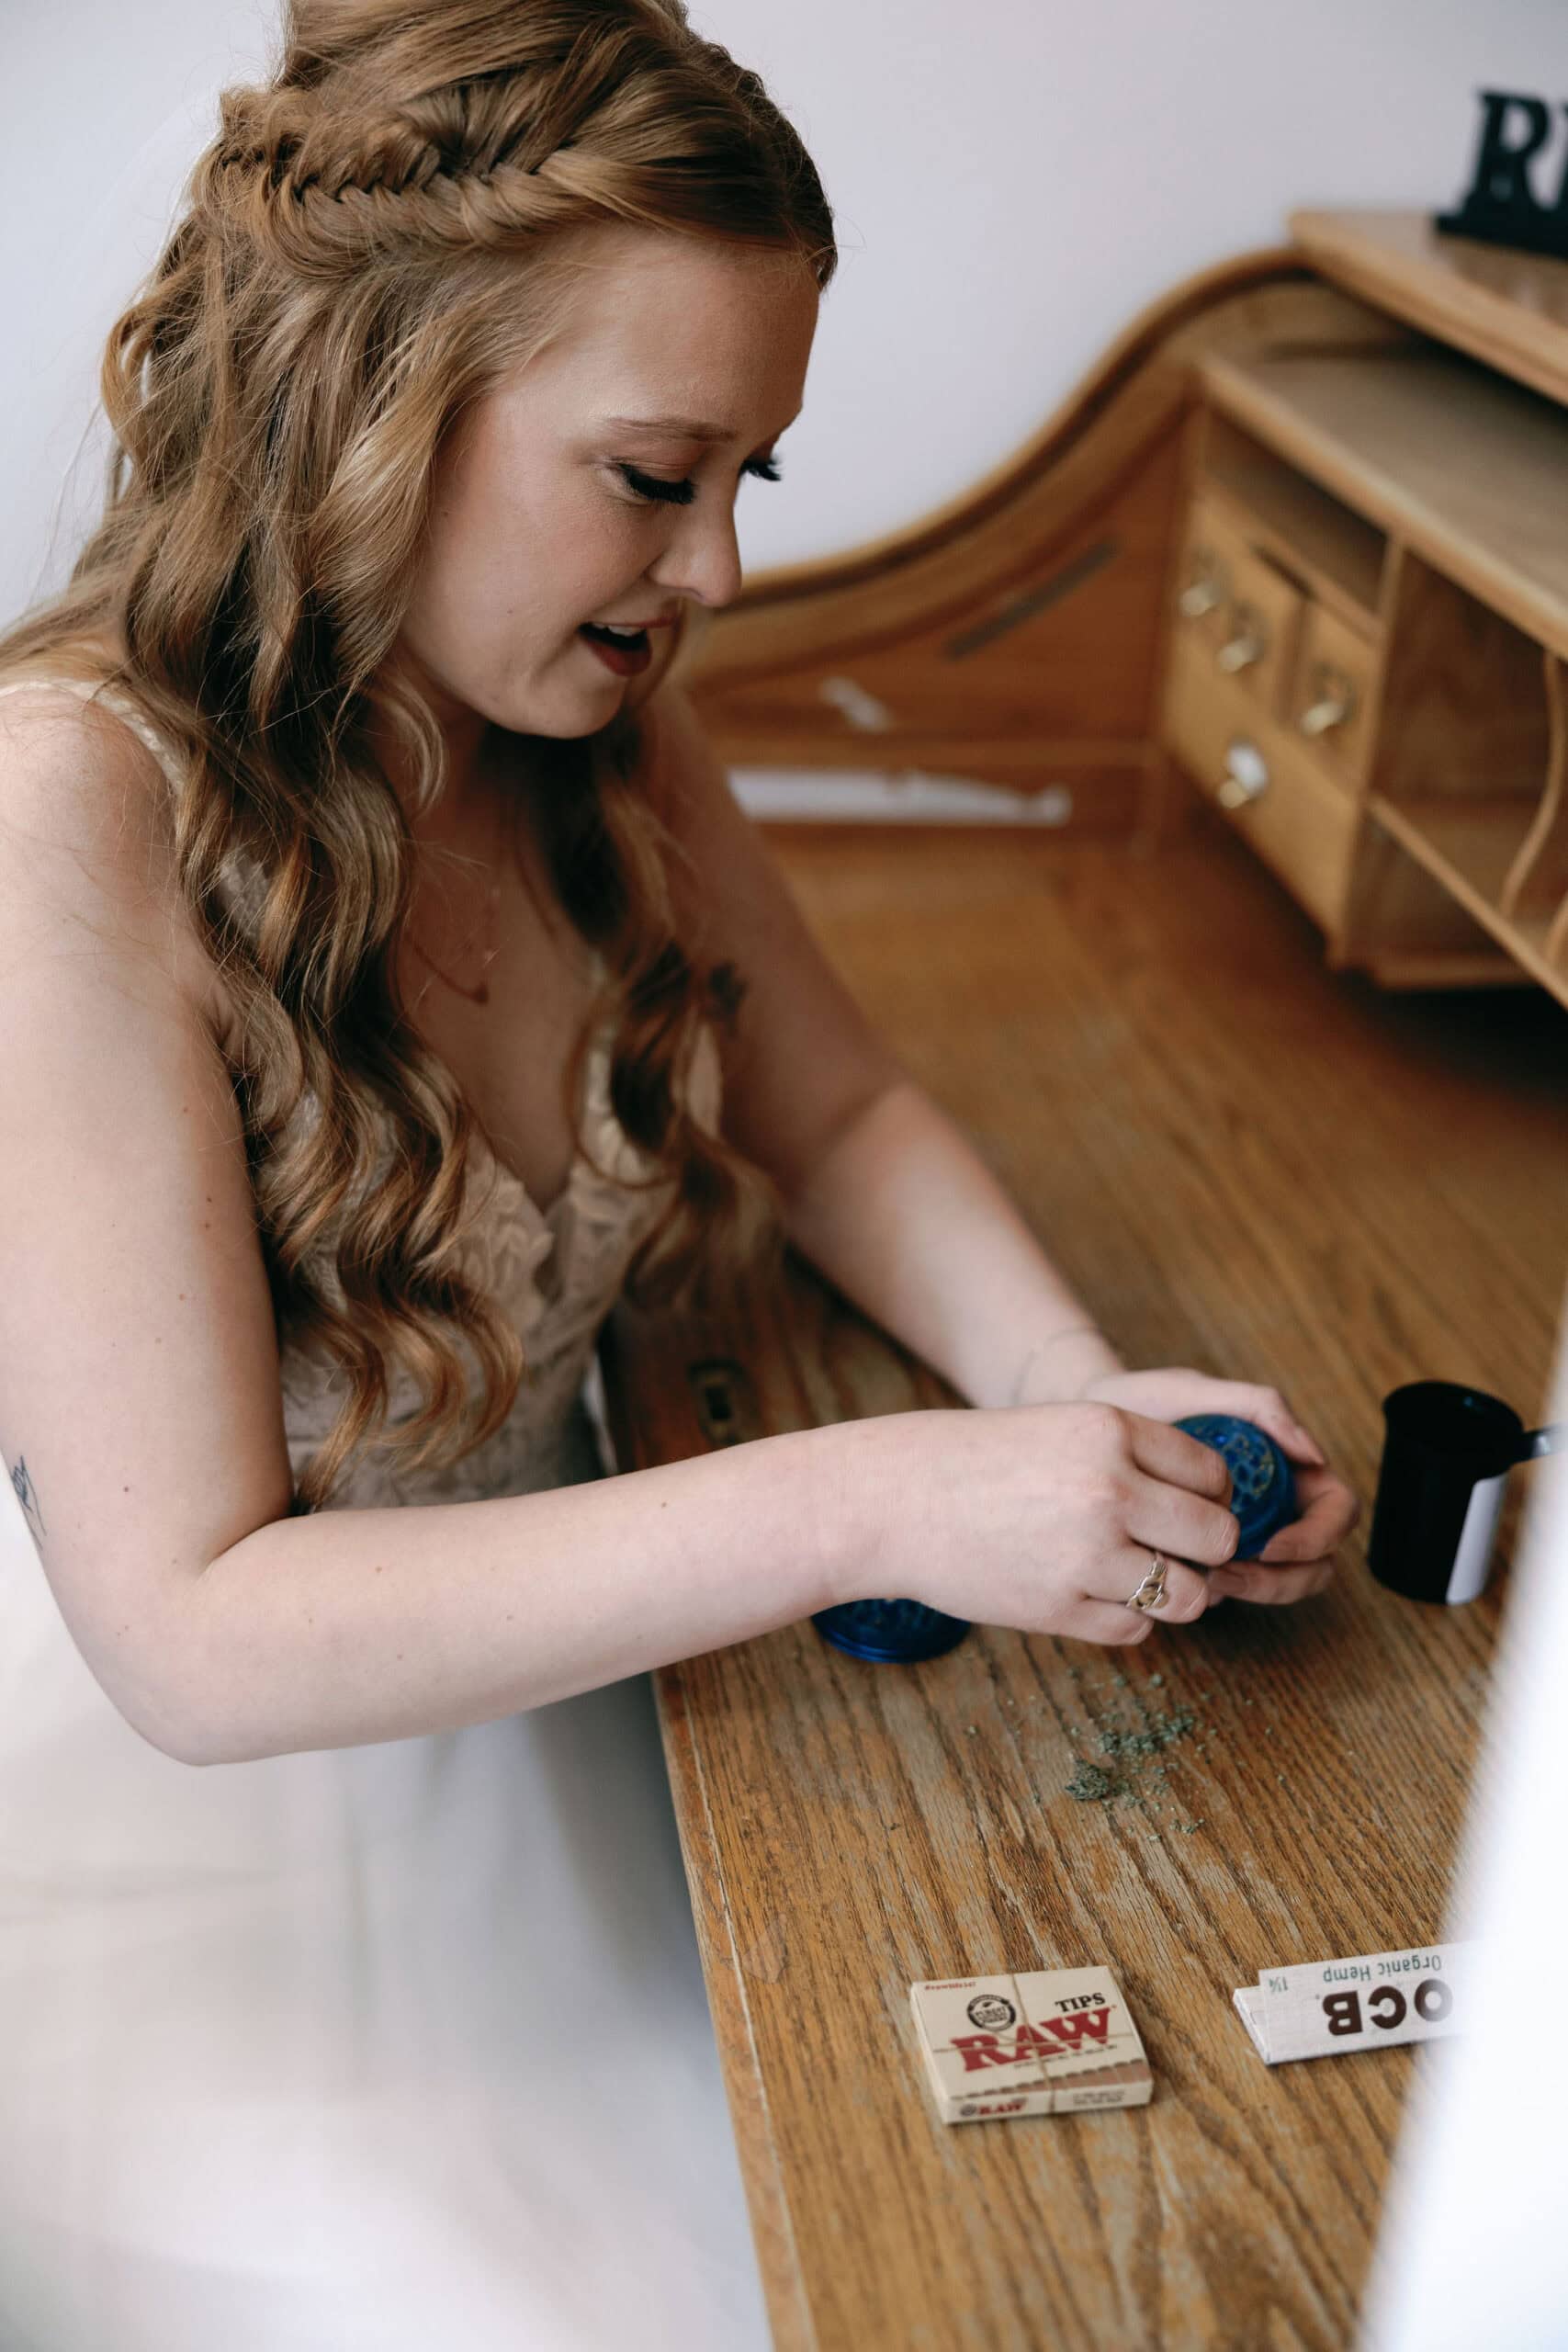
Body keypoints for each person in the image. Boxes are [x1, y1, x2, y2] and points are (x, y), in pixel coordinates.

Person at [0, 2, 1359, 2344]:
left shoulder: (582, 698)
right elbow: (196, 1632)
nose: (717, 565)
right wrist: (881, 1496)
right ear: (372, 408)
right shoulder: (75, 814)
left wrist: (1071, 1391)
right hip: (260, 1812)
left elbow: (832, 1110)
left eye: (755, 477)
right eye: (654, 470)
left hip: (593, 1687)